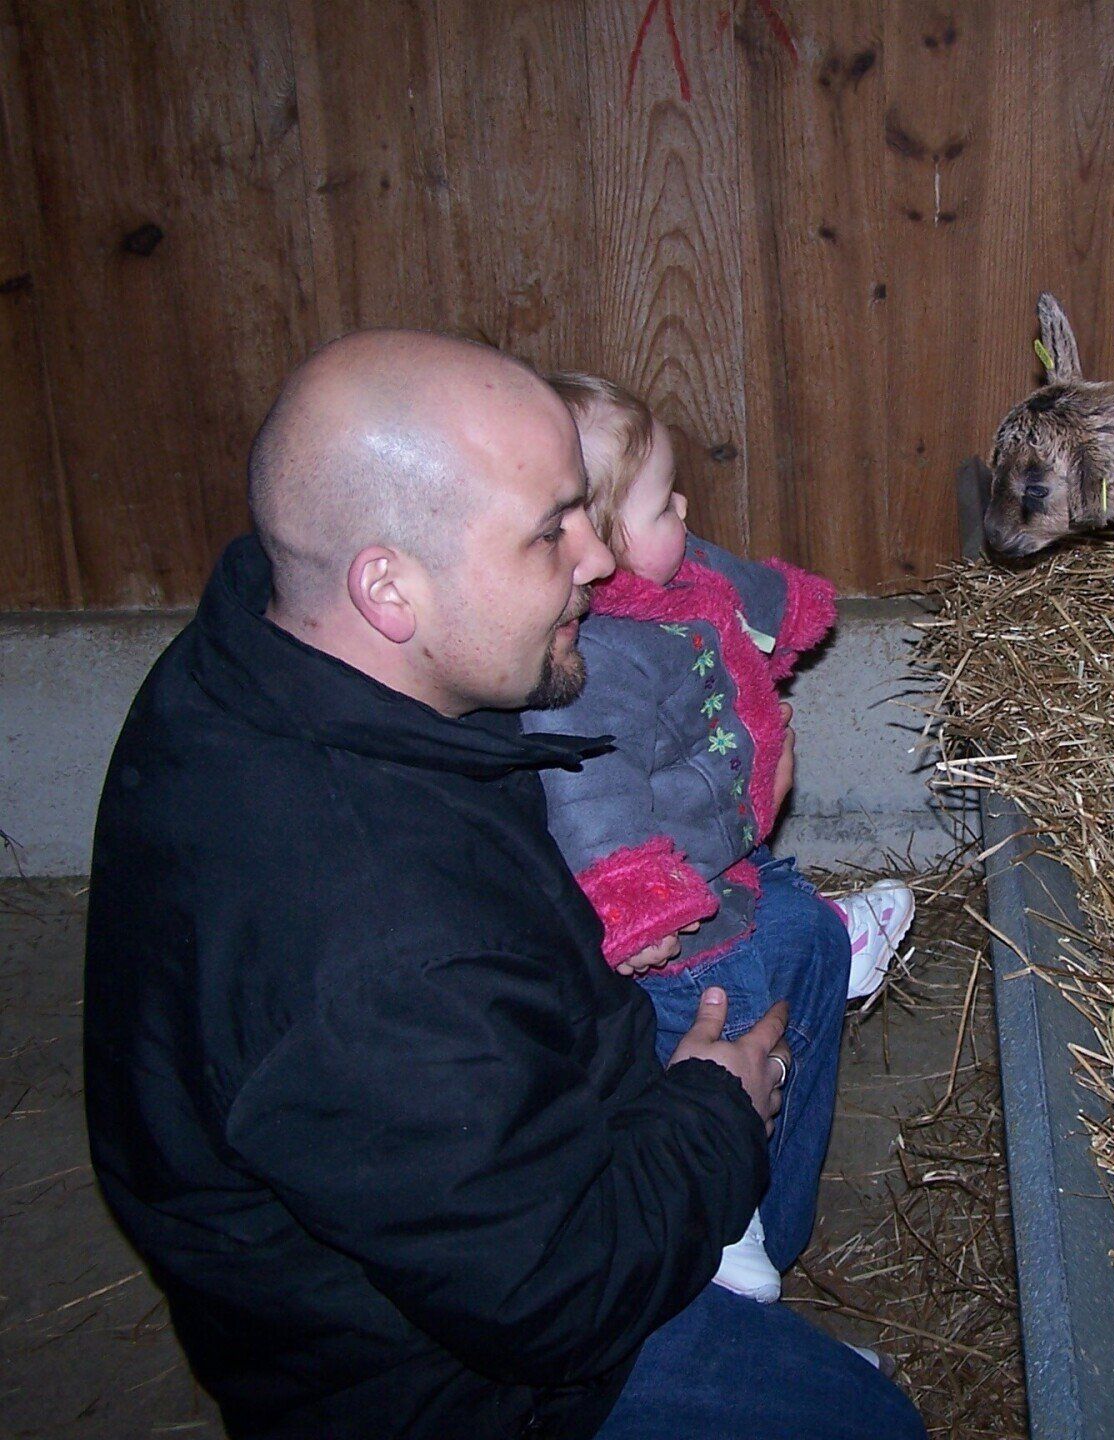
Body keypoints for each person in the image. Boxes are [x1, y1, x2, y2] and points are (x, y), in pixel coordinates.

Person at [83, 330, 926, 1440]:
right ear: (391, 586)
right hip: (464, 1375)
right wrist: (712, 1114)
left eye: (585, 508)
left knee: (801, 951)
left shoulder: (280, 647)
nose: (595, 558)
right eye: (547, 533)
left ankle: (744, 1284)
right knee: (878, 1428)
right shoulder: (374, 946)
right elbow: (551, 1296)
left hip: (504, 1137)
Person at [523, 372, 916, 1303]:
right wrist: (639, 901)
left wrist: (785, 611)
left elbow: (738, 583)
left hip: (720, 833)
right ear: (598, 546)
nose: (687, 512)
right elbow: (590, 798)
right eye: (664, 503)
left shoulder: (675, 572)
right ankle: (728, 1216)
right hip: (671, 889)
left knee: (764, 889)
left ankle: (828, 933)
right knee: (723, 1002)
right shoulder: (597, 662)